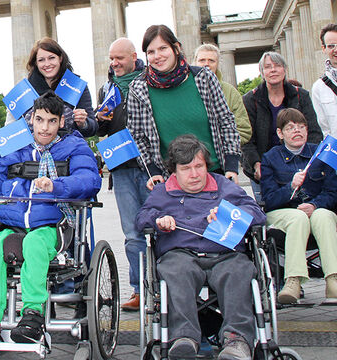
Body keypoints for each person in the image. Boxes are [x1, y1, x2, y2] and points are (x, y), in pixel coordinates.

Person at [0, 91, 101, 345]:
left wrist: (57, 186)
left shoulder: (75, 146)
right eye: (39, 120)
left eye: (51, 121)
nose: (45, 127)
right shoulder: (16, 146)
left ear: (60, 122)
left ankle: (33, 315)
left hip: (51, 225)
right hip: (12, 223)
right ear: (32, 120)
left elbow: (90, 180)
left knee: (34, 244)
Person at [136, 134, 266, 360]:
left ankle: (237, 340)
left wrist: (229, 215)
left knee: (239, 271)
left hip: (225, 253)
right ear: (174, 171)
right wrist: (159, 220)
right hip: (181, 253)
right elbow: (142, 218)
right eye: (186, 168)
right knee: (176, 270)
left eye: (199, 166)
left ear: (207, 166)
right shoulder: (162, 192)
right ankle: (183, 337)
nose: (194, 174)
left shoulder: (224, 186)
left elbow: (256, 213)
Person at [127, 25, 241, 195]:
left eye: (163, 48)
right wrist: (153, 170)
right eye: (151, 52)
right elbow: (136, 136)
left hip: (214, 173)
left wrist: (232, 164)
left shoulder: (204, 78)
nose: (157, 56)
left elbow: (225, 120)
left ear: (176, 48)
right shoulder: (138, 89)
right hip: (171, 180)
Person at [260, 108, 337, 304]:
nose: (297, 131)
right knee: (298, 217)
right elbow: (269, 200)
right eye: (291, 127)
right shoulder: (270, 158)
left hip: (315, 212)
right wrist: (290, 187)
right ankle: (293, 281)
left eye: (301, 127)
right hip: (283, 214)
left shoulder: (321, 154)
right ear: (280, 133)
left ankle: (333, 279)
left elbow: (331, 193)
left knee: (324, 215)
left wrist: (314, 204)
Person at [95, 38, 146, 311]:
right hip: (123, 168)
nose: (114, 63)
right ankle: (139, 289)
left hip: (150, 167)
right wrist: (99, 120)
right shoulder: (107, 88)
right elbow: (100, 129)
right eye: (111, 58)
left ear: (134, 57)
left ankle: (164, 287)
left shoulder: (150, 81)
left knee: (161, 229)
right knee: (132, 232)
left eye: (120, 58)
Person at [242, 51, 322, 201]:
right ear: (262, 72)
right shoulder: (250, 99)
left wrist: (310, 163)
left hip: (299, 165)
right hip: (265, 167)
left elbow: (314, 133)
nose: (273, 70)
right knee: (269, 211)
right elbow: (247, 139)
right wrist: (255, 164)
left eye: (277, 65)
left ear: (284, 69)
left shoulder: (301, 96)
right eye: (267, 67)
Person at [6, 37, 97, 137]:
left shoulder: (77, 85)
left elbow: (92, 128)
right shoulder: (23, 90)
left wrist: (83, 123)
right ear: (36, 63)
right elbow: (10, 131)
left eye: (51, 58)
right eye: (41, 60)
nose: (47, 64)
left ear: (60, 58)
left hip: (69, 147)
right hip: (33, 150)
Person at [193, 43, 252, 145]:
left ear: (218, 64)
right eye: (202, 60)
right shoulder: (184, 90)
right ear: (194, 63)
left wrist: (221, 145)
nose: (206, 64)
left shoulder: (230, 92)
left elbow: (244, 131)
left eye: (211, 60)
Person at [312, 23, 337, 138]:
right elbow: (324, 129)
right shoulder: (319, 87)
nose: (336, 50)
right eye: (331, 46)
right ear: (324, 48)